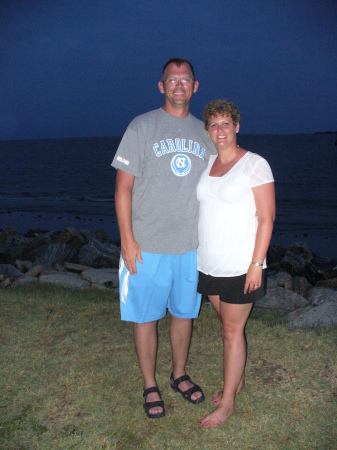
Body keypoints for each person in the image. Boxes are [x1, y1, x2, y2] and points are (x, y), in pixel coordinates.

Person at [111, 58, 215, 419]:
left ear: (195, 86)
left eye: (185, 80)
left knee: (184, 314)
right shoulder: (141, 127)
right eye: (172, 80)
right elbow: (123, 188)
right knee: (146, 317)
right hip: (147, 244)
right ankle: (149, 383)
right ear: (161, 86)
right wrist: (127, 239)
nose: (179, 85)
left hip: (190, 246)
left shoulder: (207, 133)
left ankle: (179, 374)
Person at [197, 99, 275, 428]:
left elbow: (267, 217)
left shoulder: (254, 164)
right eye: (214, 125)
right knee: (227, 327)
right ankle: (237, 380)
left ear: (237, 126)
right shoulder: (208, 164)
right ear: (208, 131)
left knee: (232, 331)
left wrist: (256, 263)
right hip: (209, 262)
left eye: (226, 123)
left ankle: (228, 403)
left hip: (241, 265)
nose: (220, 130)